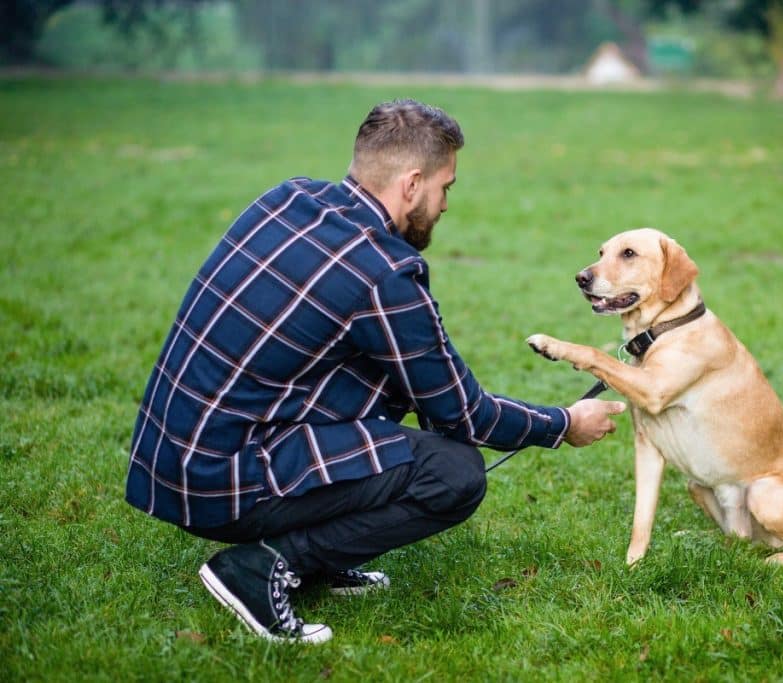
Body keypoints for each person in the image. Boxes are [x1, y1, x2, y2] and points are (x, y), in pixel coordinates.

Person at [125, 99, 626, 644]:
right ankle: (263, 566)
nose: (445, 205)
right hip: (222, 484)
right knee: (454, 473)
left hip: (167, 461)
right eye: (445, 188)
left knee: (387, 379)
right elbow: (464, 415)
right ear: (412, 184)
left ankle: (326, 553)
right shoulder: (384, 272)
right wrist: (563, 423)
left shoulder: (285, 198)